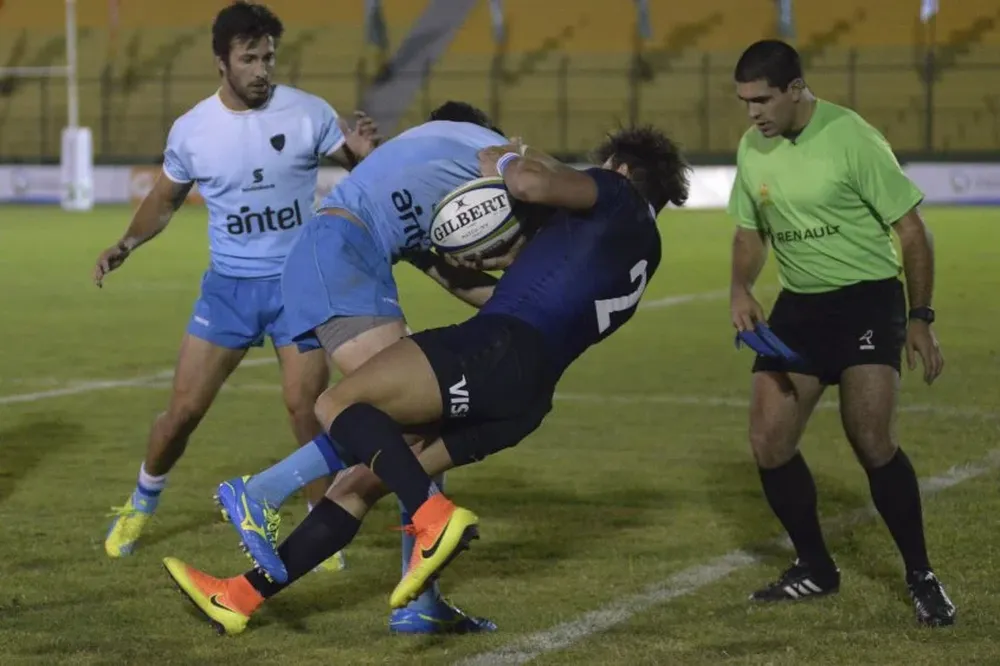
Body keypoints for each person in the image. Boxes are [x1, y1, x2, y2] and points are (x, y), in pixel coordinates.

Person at [159, 125, 689, 636]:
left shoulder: (613, 191)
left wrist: (503, 161)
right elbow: (531, 287)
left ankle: (370, 506)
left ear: (620, 168)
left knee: (339, 402)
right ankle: (239, 597)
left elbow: (527, 182)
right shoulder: (645, 251)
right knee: (365, 479)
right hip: (527, 399)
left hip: (496, 349)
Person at [204, 102, 527, 634]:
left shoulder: (422, 186)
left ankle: (419, 599)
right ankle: (260, 490)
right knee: (400, 411)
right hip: (337, 254)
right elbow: (516, 178)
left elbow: (456, 278)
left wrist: (523, 307)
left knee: (422, 424)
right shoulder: (481, 148)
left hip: (340, 257)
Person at [95, 2, 378, 566]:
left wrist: (367, 155)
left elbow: (360, 167)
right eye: (248, 58)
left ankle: (321, 533)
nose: (261, 70)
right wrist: (125, 244)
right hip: (228, 290)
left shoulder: (307, 112)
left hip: (297, 287)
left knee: (308, 410)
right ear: (221, 61)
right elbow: (164, 199)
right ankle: (141, 501)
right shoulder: (194, 129)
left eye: (268, 57)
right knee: (183, 413)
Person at [726, 39, 954, 626]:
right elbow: (751, 232)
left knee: (871, 440)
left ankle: (922, 575)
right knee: (768, 441)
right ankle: (816, 568)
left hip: (867, 300)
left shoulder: (853, 137)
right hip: (800, 306)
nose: (753, 114)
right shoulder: (754, 148)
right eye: (745, 102)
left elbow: (911, 231)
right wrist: (739, 287)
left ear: (797, 88)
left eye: (763, 100)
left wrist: (920, 318)